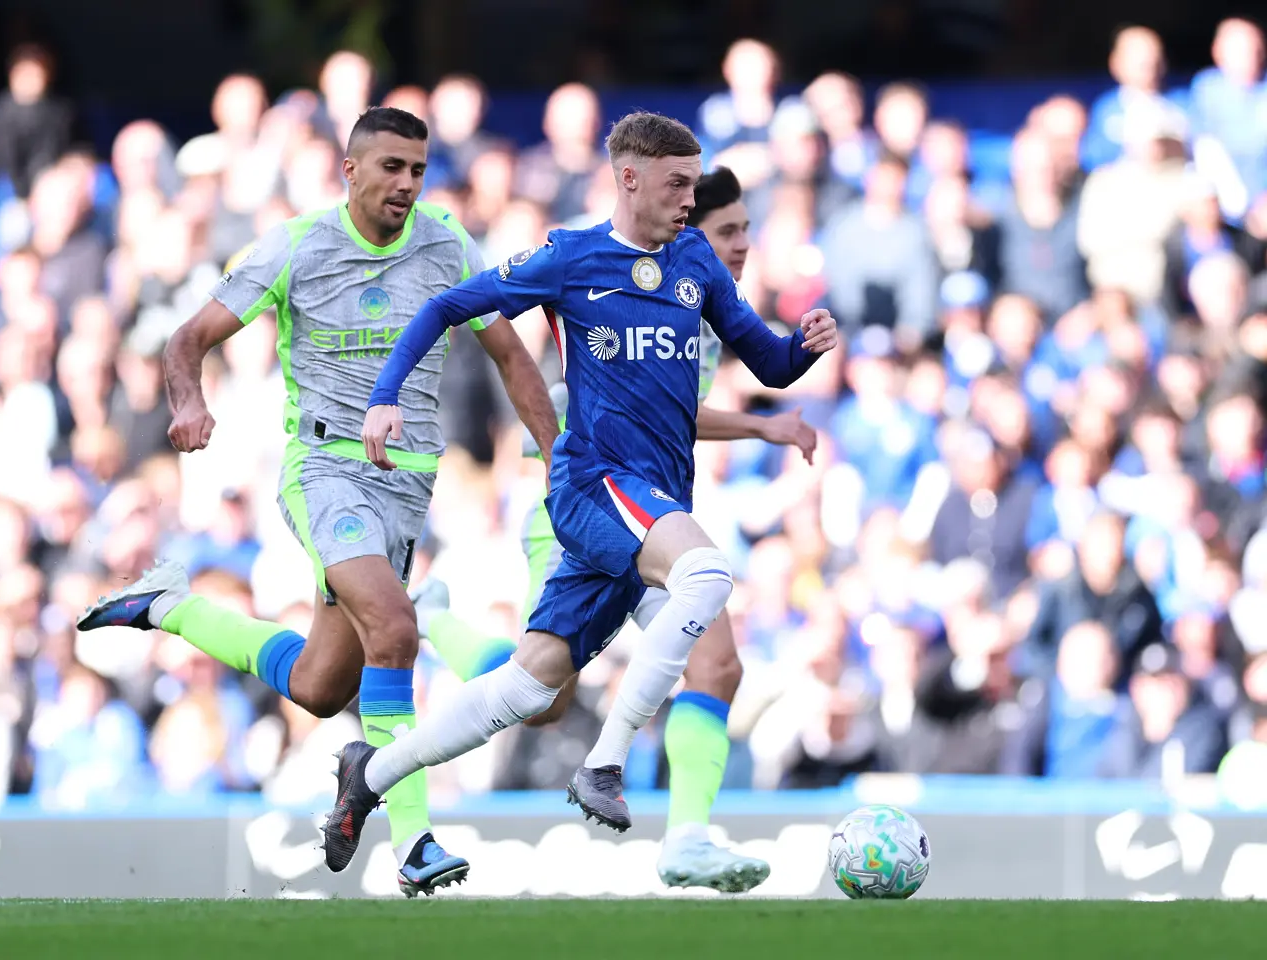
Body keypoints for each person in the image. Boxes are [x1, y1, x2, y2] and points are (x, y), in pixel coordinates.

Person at [325, 112, 839, 875]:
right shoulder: (570, 257)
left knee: (529, 689)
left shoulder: (694, 259)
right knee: (705, 576)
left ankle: (368, 776)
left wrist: (805, 346)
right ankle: (605, 762)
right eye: (677, 185)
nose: (690, 202)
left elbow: (767, 362)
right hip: (593, 482)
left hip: (649, 501)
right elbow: (445, 307)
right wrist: (385, 393)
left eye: (695, 186)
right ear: (628, 179)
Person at [74, 107, 558, 897]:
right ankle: (416, 841)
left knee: (320, 686)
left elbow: (510, 354)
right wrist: (188, 401)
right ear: (351, 169)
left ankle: (170, 608)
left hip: (408, 486)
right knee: (396, 629)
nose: (407, 183)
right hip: (325, 471)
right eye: (392, 167)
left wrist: (555, 457)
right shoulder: (297, 245)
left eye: (417, 169)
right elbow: (188, 337)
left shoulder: (447, 244)